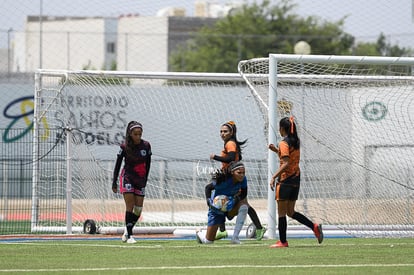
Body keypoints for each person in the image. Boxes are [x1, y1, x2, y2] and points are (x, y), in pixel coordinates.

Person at [268, 116, 323, 248]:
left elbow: (286, 163)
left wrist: (274, 176)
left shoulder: (284, 143)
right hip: (295, 180)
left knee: (282, 212)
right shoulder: (295, 141)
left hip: (285, 180)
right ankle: (314, 227)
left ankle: (282, 241)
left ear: (282, 128)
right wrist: (276, 150)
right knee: (290, 212)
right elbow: (290, 159)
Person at [207, 120, 266, 241]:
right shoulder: (230, 143)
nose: (222, 133)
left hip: (234, 178)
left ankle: (259, 228)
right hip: (230, 176)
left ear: (231, 132)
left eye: (225, 131)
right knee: (220, 201)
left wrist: (215, 157)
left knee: (243, 205)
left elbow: (231, 158)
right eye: (221, 131)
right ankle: (223, 231)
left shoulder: (230, 143)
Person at [112, 121, 152, 244]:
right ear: (130, 134)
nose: (138, 137)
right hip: (128, 177)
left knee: (138, 209)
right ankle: (130, 236)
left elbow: (148, 164)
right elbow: (118, 165)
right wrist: (114, 182)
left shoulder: (146, 145)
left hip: (140, 179)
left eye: (140, 134)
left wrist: (145, 179)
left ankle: (127, 230)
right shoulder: (124, 147)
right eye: (135, 134)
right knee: (130, 206)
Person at [197, 161, 249, 244]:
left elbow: (244, 193)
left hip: (230, 205)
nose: (242, 175)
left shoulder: (243, 180)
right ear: (232, 172)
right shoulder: (223, 181)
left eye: (243, 173)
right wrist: (209, 202)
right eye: (239, 172)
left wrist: (235, 200)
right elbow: (208, 188)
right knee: (208, 242)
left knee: (244, 207)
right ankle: (199, 233)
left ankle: (235, 238)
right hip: (217, 208)